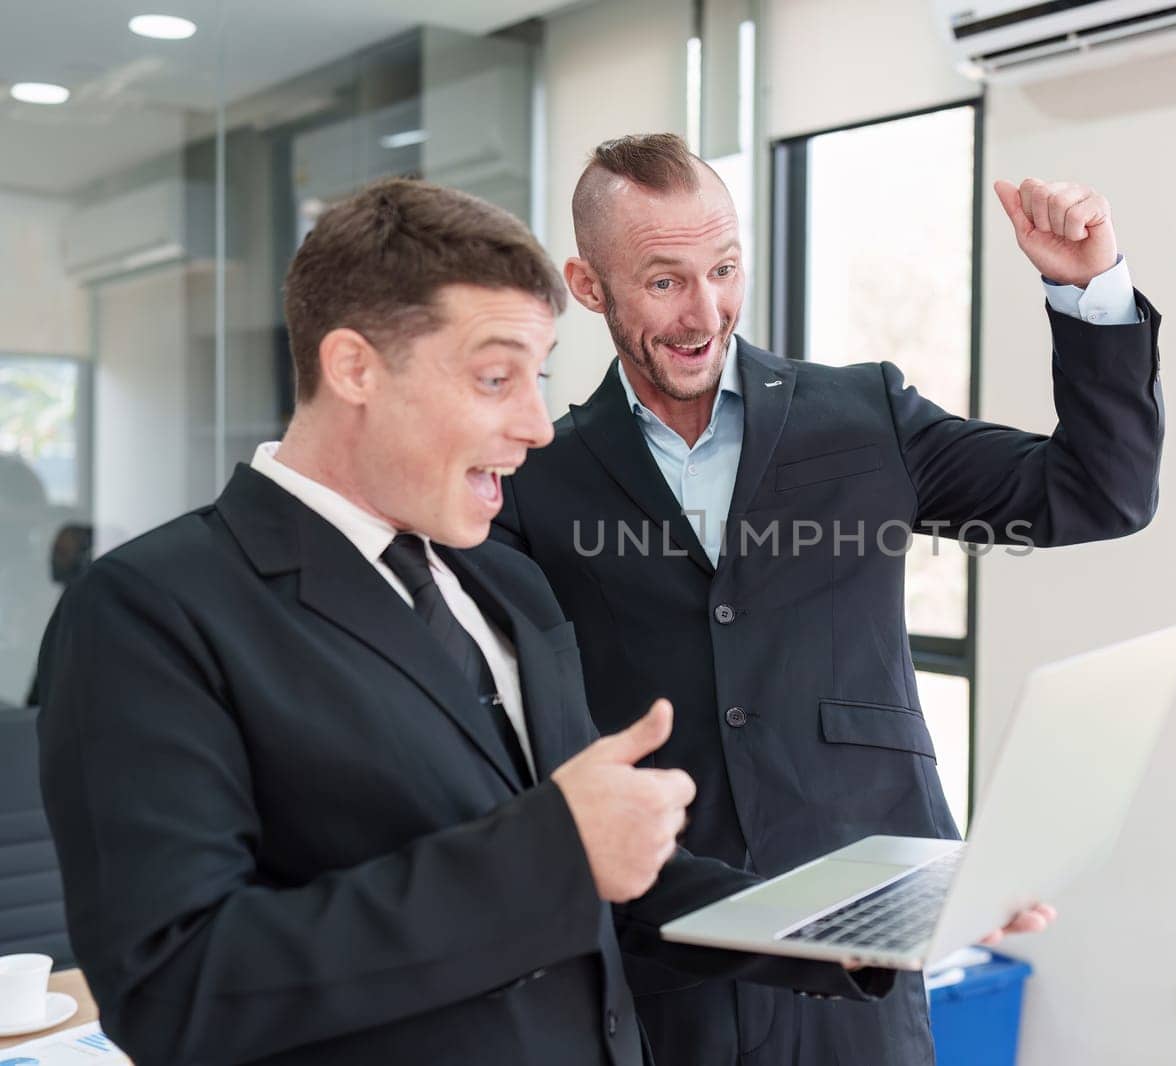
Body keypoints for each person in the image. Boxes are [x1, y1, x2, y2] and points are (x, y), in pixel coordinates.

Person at [33, 178, 895, 1066]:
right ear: (354, 368)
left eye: (539, 378)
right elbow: (177, 988)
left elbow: (609, 889)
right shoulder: (152, 611)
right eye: (494, 378)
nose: (536, 426)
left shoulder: (506, 585)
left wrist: (845, 930)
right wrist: (553, 853)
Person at [490, 132, 1153, 1065]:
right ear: (590, 286)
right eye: (665, 280)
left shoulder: (862, 412)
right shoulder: (534, 477)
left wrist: (1086, 292)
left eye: (724, 268)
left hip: (864, 946)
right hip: (669, 962)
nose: (705, 310)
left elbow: (1097, 494)